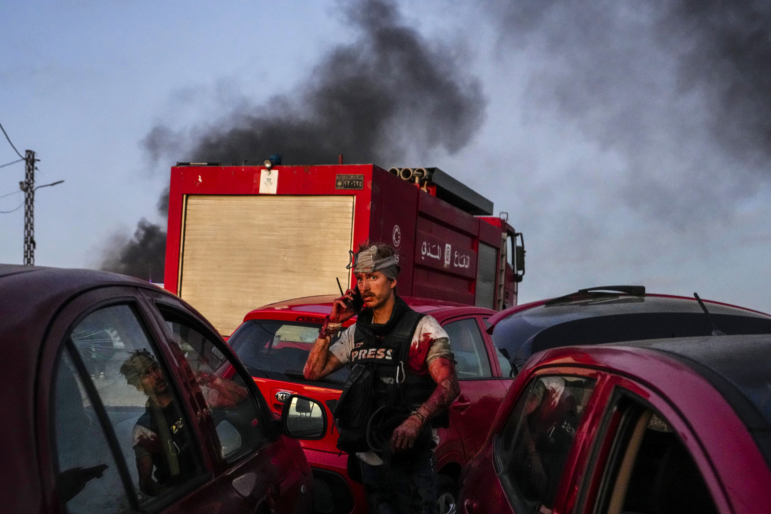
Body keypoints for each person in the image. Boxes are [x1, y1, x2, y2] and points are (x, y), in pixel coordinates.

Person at [304, 243, 460, 514]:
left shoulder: (422, 329)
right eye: (360, 278)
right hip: (369, 462)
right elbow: (312, 372)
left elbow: (449, 385)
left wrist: (417, 419)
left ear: (392, 280)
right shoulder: (356, 333)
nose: (364, 286)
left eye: (373, 277)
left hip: (411, 463)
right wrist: (332, 324)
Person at [119, 350, 198, 497]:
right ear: (139, 386)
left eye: (155, 368)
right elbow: (145, 481)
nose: (156, 376)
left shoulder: (189, 398)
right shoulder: (144, 429)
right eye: (147, 374)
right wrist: (167, 494)